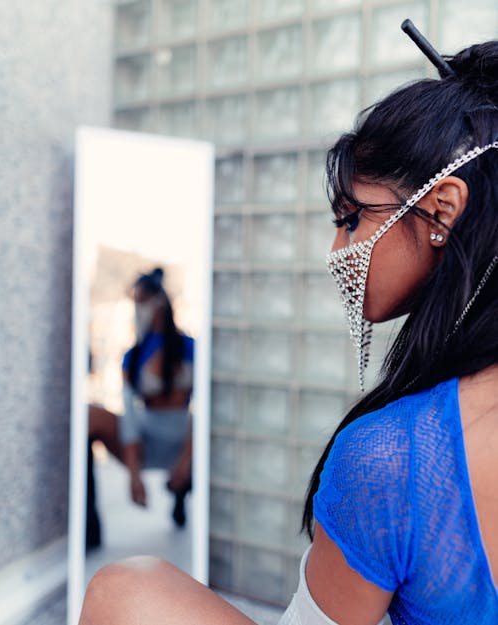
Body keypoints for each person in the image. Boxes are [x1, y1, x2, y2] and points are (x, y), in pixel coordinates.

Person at [79, 29, 497, 625]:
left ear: (442, 210)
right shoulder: (136, 354)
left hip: (170, 447)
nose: (337, 249)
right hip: (151, 444)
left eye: (352, 219)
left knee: (126, 588)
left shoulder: (393, 457)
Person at [87, 267, 194, 549]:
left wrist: (187, 459)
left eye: (141, 301)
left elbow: (206, 410)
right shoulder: (132, 356)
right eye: (134, 302)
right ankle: (88, 525)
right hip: (146, 437)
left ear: (158, 302)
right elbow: (130, 414)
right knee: (90, 415)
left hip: (185, 436)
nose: (138, 309)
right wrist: (134, 476)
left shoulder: (190, 348)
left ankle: (182, 490)